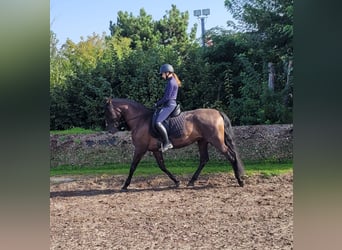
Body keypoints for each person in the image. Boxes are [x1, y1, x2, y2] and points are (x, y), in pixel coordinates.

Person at [155, 63, 182, 152]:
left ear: (167, 73)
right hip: (169, 104)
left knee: (158, 122)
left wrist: (157, 103)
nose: (162, 76)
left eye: (162, 74)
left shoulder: (171, 82)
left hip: (170, 105)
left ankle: (167, 143)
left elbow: (167, 97)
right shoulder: (172, 81)